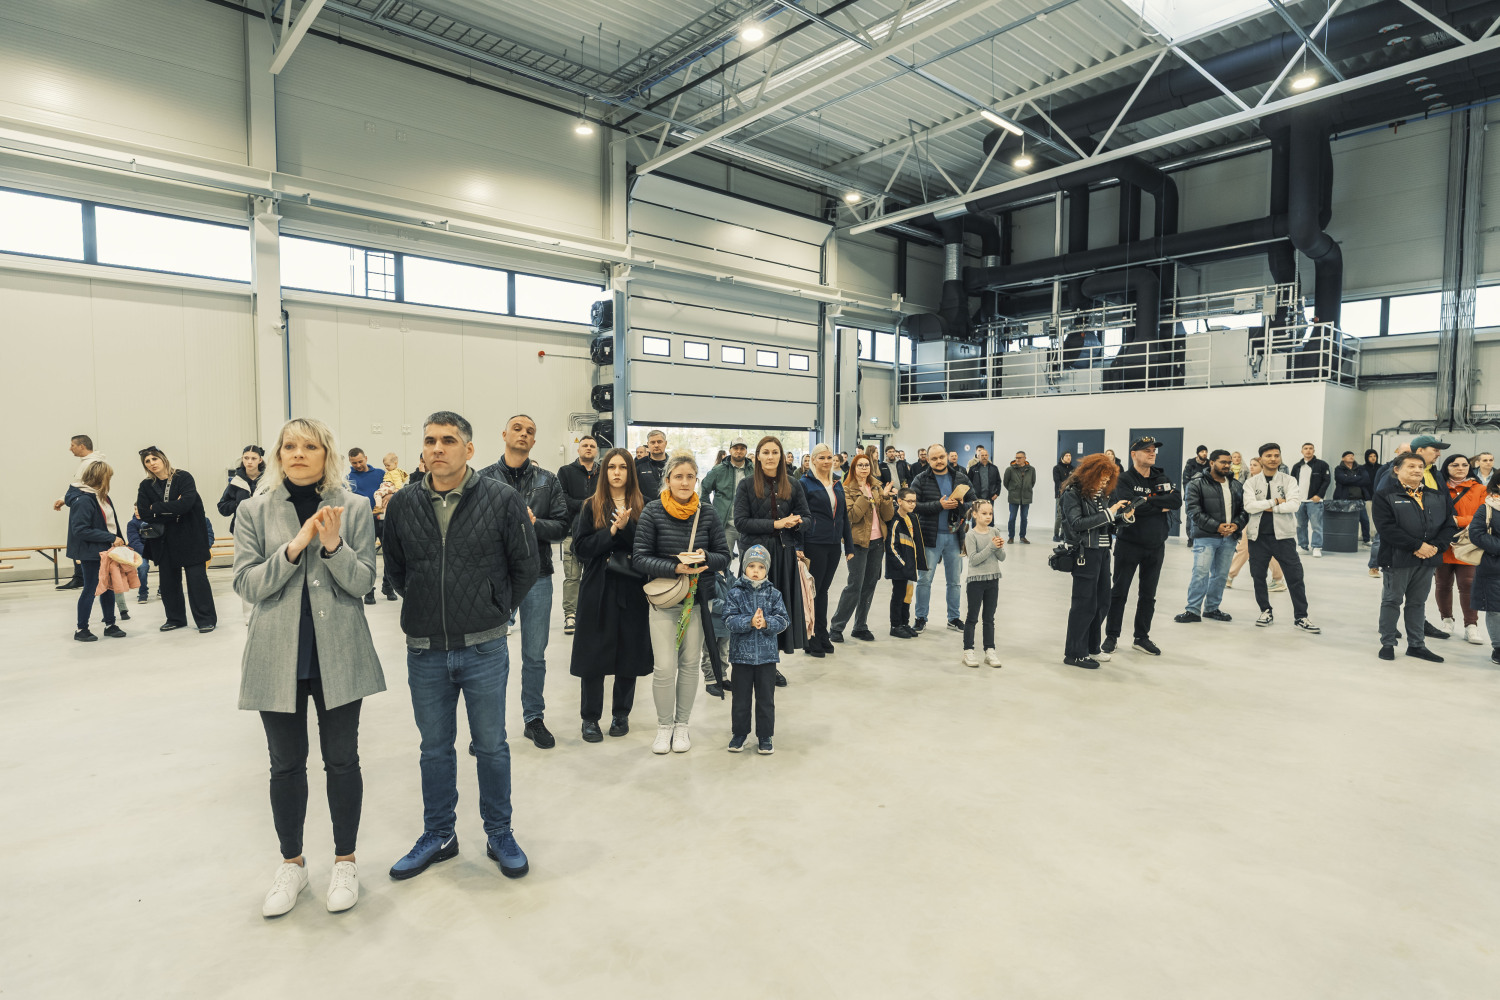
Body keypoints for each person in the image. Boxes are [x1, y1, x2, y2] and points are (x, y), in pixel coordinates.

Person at [232, 417, 385, 917]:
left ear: (327, 454)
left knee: (342, 760)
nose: (298, 453)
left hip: (338, 650)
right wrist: (294, 548)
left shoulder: (354, 507)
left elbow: (363, 583)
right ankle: (292, 864)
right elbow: (247, 584)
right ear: (278, 454)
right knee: (285, 763)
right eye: (289, 446)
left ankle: (345, 861)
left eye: (310, 446)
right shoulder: (253, 510)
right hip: (277, 654)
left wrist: (334, 547)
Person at [383, 411, 539, 882]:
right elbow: (396, 570)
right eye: (430, 440)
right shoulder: (403, 503)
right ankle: (438, 834)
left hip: (484, 649)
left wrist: (494, 608)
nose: (437, 448)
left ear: (469, 449)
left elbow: (525, 566)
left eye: (448, 440)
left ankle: (499, 833)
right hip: (425, 648)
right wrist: (428, 604)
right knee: (434, 748)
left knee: (491, 746)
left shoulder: (502, 498)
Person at [478, 414, 570, 751]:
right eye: (517, 428)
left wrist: (533, 524)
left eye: (529, 431)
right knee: (490, 654)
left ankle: (534, 719)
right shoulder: (483, 479)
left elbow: (562, 527)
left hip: (537, 576)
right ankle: (489, 727)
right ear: (504, 434)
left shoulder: (548, 480)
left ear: (534, 441)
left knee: (534, 654)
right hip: (495, 578)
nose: (523, 434)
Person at [633, 450, 732, 754]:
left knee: (689, 664)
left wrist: (704, 557)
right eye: (678, 476)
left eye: (690, 476)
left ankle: (682, 726)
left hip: (698, 600)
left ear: (697, 480)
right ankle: (664, 726)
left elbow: (724, 556)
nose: (685, 482)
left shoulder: (707, 513)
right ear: (668, 480)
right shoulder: (652, 511)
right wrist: (675, 567)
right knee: (664, 667)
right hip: (664, 599)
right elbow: (640, 558)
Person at [568, 447, 650, 742]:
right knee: (593, 654)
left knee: (629, 652)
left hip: (631, 588)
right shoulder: (591, 505)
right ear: (604, 472)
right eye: (612, 467)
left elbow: (647, 547)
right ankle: (590, 718)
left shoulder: (644, 505)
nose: (617, 472)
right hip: (598, 586)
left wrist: (627, 528)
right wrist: (612, 532)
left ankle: (621, 714)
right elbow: (580, 548)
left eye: (623, 467)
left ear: (630, 472)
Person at [734, 436, 810, 671]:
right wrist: (776, 524)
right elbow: (741, 522)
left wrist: (797, 523)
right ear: (757, 456)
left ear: (781, 455)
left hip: (784, 553)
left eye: (775, 452)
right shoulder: (746, 485)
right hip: (755, 557)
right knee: (754, 609)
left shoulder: (793, 484)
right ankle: (750, 662)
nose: (770, 457)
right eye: (765, 452)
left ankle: (771, 666)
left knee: (776, 611)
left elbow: (807, 518)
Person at [1372, 453, 1454, 662]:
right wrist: (1417, 546)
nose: (1417, 470)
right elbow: (1386, 528)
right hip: (1397, 558)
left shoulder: (1437, 495)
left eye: (1420, 466)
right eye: (1411, 466)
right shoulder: (1384, 495)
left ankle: (1417, 645)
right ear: (1397, 470)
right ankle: (1388, 643)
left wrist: (1435, 547)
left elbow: (1449, 525)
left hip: (1428, 558)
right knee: (1392, 601)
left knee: (1417, 603)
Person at [1104, 437, 1181, 656]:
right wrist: (1159, 503)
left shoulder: (1161, 476)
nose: (1152, 453)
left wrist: (1146, 500)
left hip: (1156, 546)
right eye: (1147, 450)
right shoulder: (1124, 479)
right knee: (1119, 592)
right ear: (1133, 454)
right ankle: (1111, 636)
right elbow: (1130, 507)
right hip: (1129, 543)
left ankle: (1141, 637)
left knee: (1148, 595)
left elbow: (1176, 501)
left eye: (1154, 450)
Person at [1059, 454, 1135, 669]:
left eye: (1108, 478)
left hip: (1102, 552)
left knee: (1102, 602)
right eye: (1102, 477)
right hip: (1084, 553)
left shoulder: (1100, 495)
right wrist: (1109, 514)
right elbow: (1077, 523)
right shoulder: (1072, 494)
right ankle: (1074, 653)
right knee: (1084, 604)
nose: (1104, 482)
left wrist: (1123, 518)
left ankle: (1092, 647)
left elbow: (1105, 525)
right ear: (1090, 474)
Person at [136, 446, 217, 633]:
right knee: (168, 583)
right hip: (164, 540)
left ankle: (205, 620)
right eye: (147, 461)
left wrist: (157, 507)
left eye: (154, 459)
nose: (152, 463)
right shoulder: (146, 485)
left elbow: (186, 505)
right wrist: (173, 508)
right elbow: (144, 513)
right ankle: (175, 618)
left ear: (163, 459)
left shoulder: (183, 477)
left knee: (197, 581)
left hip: (190, 537)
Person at [1242, 443, 1319, 632]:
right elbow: (1249, 506)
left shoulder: (1289, 480)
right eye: (1268, 455)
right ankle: (1265, 611)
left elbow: (1294, 505)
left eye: (1276, 455)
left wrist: (1265, 507)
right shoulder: (1251, 482)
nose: (1273, 459)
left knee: (1295, 577)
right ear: (1261, 459)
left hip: (1283, 537)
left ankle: (1301, 616)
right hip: (1257, 537)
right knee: (1258, 576)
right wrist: (1275, 501)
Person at [723, 544, 790, 755]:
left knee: (766, 700)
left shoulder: (774, 594)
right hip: (741, 658)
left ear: (766, 569)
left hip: (767, 658)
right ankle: (739, 734)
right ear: (744, 567)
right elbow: (728, 620)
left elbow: (783, 620)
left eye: (761, 567)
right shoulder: (735, 593)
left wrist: (766, 623)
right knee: (740, 700)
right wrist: (749, 622)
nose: (755, 570)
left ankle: (765, 736)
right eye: (751, 566)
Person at [830, 453, 896, 644]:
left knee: (869, 585)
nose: (864, 468)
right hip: (857, 543)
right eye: (860, 465)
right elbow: (852, 516)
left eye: (867, 465)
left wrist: (885, 498)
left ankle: (860, 626)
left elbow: (887, 516)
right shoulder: (846, 489)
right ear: (853, 468)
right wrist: (866, 497)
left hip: (877, 542)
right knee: (855, 585)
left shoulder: (876, 486)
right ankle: (836, 627)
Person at [1176, 449, 1247, 624]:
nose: (1227, 465)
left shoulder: (1236, 485)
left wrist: (1236, 525)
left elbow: (1244, 510)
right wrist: (1217, 526)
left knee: (1221, 576)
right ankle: (1192, 610)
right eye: (1223, 462)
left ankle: (1212, 608)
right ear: (1212, 463)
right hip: (1205, 537)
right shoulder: (1196, 483)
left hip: (1229, 538)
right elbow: (1193, 511)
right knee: (1200, 574)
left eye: (1229, 462)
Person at [798, 443, 853, 658]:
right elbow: (801, 516)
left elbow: (843, 516)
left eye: (829, 457)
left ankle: (822, 634)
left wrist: (848, 545)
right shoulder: (804, 483)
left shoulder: (837, 483)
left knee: (823, 591)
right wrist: (800, 547)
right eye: (821, 457)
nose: (826, 461)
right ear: (813, 460)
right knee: (813, 592)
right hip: (814, 543)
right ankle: (811, 637)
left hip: (833, 545)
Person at [911, 444, 973, 632]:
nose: (938, 461)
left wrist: (962, 505)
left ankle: (953, 618)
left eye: (941, 457)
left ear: (946, 456)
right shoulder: (920, 479)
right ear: (927, 460)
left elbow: (974, 502)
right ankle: (921, 618)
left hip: (955, 537)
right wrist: (939, 505)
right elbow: (913, 505)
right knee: (924, 580)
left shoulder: (961, 477)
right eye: (934, 458)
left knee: (954, 581)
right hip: (929, 537)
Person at [67, 461, 128, 641]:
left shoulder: (102, 497)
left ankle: (110, 624)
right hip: (91, 552)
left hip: (107, 550)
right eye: (108, 477)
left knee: (108, 588)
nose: (109, 480)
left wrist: (119, 541)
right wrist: (111, 538)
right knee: (91, 588)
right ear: (100, 477)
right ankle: (81, 629)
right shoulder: (83, 500)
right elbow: (80, 529)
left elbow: (111, 523)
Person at [1435, 454, 1485, 644]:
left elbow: (1483, 516)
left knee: (1468, 585)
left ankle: (1471, 625)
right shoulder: (1438, 488)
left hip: (1468, 544)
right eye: (1455, 465)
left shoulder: (1480, 488)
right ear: (1446, 467)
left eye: (1464, 465)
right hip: (1443, 542)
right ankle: (1446, 620)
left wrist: (1458, 520)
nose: (1460, 468)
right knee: (1442, 584)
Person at [556, 436, 600, 636]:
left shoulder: (603, 472)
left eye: (592, 446)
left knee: (595, 577)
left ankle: (592, 613)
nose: (588, 448)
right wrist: (587, 505)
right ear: (578, 449)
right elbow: (561, 498)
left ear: (596, 451)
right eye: (585, 445)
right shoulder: (565, 472)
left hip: (597, 534)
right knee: (572, 577)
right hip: (572, 534)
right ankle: (570, 615)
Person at [55, 434, 106, 591]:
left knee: (82, 536)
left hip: (88, 505)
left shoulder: (92, 463)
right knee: (80, 537)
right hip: (85, 503)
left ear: (82, 446)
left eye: (72, 445)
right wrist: (65, 498)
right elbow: (79, 485)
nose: (70, 448)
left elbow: (82, 487)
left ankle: (84, 578)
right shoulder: (87, 462)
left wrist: (66, 498)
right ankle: (81, 576)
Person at [1227, 456, 1286, 592]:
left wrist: (1257, 506)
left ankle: (1229, 576)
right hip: (1250, 519)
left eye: (1255, 465)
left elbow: (1270, 503)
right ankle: (1278, 579)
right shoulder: (1249, 482)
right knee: (1250, 549)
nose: (1251, 467)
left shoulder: (1268, 483)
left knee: (1246, 548)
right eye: (1251, 464)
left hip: (1262, 521)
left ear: (1262, 467)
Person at [961, 499, 1005, 667]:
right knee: (972, 617)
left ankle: (990, 651)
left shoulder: (994, 531)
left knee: (989, 618)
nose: (988, 516)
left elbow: (1002, 557)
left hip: (993, 579)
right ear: (974, 514)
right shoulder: (970, 535)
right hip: (976, 582)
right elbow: (974, 560)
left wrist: (998, 547)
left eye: (990, 513)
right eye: (984, 513)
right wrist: (992, 547)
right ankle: (968, 651)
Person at [1465, 475, 1500, 664]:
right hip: (1493, 567)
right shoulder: (1487, 508)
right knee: (1496, 610)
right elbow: (1476, 534)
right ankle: (1498, 647)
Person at [701, 437, 752, 562]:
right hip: (725, 525)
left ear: (746, 451)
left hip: (748, 525)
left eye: (742, 448)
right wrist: (711, 511)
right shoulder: (719, 470)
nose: (738, 451)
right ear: (730, 450)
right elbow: (704, 490)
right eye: (735, 448)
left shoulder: (754, 470)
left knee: (749, 563)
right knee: (722, 562)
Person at [885, 487, 926, 638]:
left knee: (907, 595)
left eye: (914, 501)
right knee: (898, 595)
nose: (912, 504)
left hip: (909, 566)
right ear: (899, 501)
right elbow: (891, 546)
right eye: (909, 501)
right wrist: (901, 564)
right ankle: (895, 626)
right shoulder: (895, 520)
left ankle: (904, 623)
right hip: (900, 567)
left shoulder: (912, 518)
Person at [345, 449, 385, 604]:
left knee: (390, 555)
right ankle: (369, 592)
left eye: (360, 461)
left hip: (383, 519)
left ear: (366, 458)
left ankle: (388, 587)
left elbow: (391, 488)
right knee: (367, 557)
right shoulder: (348, 479)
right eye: (354, 463)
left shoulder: (380, 474)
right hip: (363, 522)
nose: (358, 465)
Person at [1290, 443, 1331, 557]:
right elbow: (1291, 482)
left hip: (1314, 501)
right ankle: (1303, 546)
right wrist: (1293, 497)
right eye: (1305, 448)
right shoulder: (1297, 466)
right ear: (1302, 451)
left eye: (1310, 448)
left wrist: (1319, 495)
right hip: (1299, 501)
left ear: (1314, 451)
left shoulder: (1322, 465)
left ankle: (1317, 547)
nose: (1308, 450)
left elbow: (1326, 481)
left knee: (1316, 526)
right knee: (1300, 525)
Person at [218, 446, 266, 533]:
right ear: (242, 459)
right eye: (246, 458)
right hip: (241, 530)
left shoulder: (268, 481)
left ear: (260, 460)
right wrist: (238, 503)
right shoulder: (236, 482)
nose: (249, 461)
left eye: (253, 458)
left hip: (265, 530)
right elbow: (222, 507)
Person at [1333, 450, 1373, 543]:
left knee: (1364, 520)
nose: (1351, 457)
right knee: (1345, 521)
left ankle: (1366, 540)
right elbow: (1342, 480)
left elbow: (1366, 480)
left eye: (1352, 455)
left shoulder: (1360, 468)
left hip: (1359, 499)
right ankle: (1343, 540)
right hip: (1345, 499)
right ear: (1343, 458)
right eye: (1348, 456)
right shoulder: (1339, 469)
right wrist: (1358, 478)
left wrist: (1350, 480)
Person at [1001, 451, 1036, 543]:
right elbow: (1005, 482)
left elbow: (1032, 482)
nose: (1017, 459)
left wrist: (1026, 488)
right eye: (1016, 457)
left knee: (1024, 518)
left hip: (1026, 496)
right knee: (1012, 518)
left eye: (1019, 458)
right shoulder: (1009, 469)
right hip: (1014, 497)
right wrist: (1012, 489)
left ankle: (1022, 537)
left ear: (1025, 458)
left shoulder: (1031, 469)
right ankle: (1011, 537)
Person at [1181, 445, 1210, 545]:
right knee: (1191, 516)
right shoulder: (1191, 463)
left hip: (1205, 495)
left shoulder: (1209, 463)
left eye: (1206, 451)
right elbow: (1185, 480)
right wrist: (1189, 494)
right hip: (1192, 495)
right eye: (1202, 452)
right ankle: (1190, 538)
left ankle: (1202, 537)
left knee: (1205, 516)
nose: (1204, 453)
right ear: (1197, 453)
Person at [126, 506, 150, 603]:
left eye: (139, 509)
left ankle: (162, 590)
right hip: (140, 550)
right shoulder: (132, 524)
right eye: (135, 509)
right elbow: (134, 542)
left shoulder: (152, 521)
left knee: (165, 565)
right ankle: (143, 592)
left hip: (154, 549)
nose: (137, 511)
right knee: (143, 567)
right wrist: (147, 553)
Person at [635, 429, 669, 499]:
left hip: (669, 505)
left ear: (665, 443)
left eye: (659, 442)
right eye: (652, 442)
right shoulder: (638, 465)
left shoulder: (673, 464)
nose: (656, 445)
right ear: (648, 445)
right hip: (645, 505)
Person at [1051, 451, 1073, 542]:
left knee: (1066, 515)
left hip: (1070, 495)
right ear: (1062, 458)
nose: (1068, 457)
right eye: (1066, 455)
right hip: (1060, 494)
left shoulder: (1073, 469)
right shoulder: (1057, 468)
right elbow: (1057, 481)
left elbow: (1074, 481)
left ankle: (1063, 534)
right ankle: (1056, 534)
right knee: (1060, 515)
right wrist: (1067, 485)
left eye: (1070, 455)